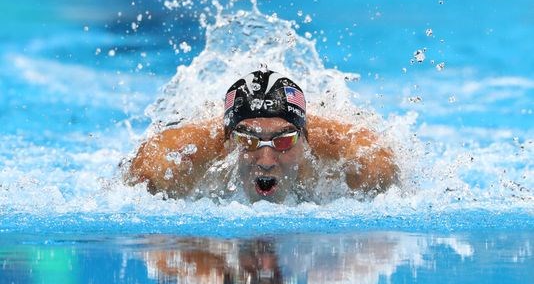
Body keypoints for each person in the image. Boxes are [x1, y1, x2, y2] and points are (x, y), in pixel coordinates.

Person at [125, 69, 398, 203]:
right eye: (248, 140)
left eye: (283, 140)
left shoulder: (353, 157)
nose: (266, 159)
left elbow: (384, 169)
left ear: (305, 138)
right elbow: (135, 188)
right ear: (228, 139)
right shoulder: (179, 159)